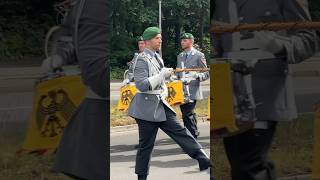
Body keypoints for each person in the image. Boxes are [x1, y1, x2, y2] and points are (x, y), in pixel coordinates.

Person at [212, 0, 318, 179]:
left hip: (263, 90)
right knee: (242, 164)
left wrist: (279, 45)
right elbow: (219, 44)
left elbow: (309, 39)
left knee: (248, 165)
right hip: (230, 94)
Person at [128, 26, 212, 180]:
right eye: (157, 38)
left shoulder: (156, 57)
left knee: (181, 132)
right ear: (147, 41)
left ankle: (203, 159)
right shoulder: (141, 59)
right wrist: (162, 75)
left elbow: (161, 81)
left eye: (160, 37)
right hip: (146, 109)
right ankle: (141, 177)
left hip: (160, 104)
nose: (160, 40)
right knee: (146, 146)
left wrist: (169, 80)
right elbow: (141, 85)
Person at [50, 0, 110, 179]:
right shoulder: (91, 6)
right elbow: (69, 35)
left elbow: (98, 73)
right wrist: (59, 56)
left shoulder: (93, 6)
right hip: (96, 124)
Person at [175, 32, 209, 139]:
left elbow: (206, 73)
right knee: (187, 113)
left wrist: (196, 76)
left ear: (191, 41)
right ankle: (193, 132)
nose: (182, 42)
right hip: (182, 89)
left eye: (184, 40)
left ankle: (191, 136)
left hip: (192, 89)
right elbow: (178, 71)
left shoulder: (199, 55)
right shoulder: (180, 56)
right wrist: (175, 77)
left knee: (187, 113)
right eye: (181, 40)